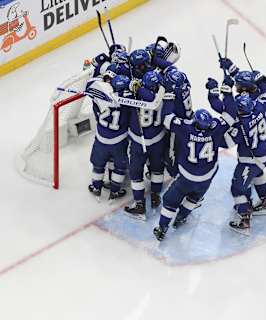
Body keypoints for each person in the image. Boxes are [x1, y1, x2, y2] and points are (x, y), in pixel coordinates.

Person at [153, 75, 238, 241]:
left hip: (186, 176)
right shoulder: (216, 129)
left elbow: (167, 118)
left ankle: (163, 228)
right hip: (207, 176)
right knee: (194, 197)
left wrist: (169, 95)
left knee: (170, 201)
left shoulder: (186, 128)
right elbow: (230, 115)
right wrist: (226, 92)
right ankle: (182, 217)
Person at [124, 71, 166, 220]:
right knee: (157, 169)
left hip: (138, 141)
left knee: (136, 173)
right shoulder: (162, 95)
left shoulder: (135, 96)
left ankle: (139, 205)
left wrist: (134, 88)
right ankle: (155, 196)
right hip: (157, 141)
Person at [85, 73, 129, 200]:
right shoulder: (129, 102)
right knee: (119, 167)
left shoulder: (99, 96)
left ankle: (96, 187)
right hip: (119, 141)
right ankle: (115, 191)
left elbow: (90, 84)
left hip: (101, 139)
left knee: (98, 164)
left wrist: (104, 80)